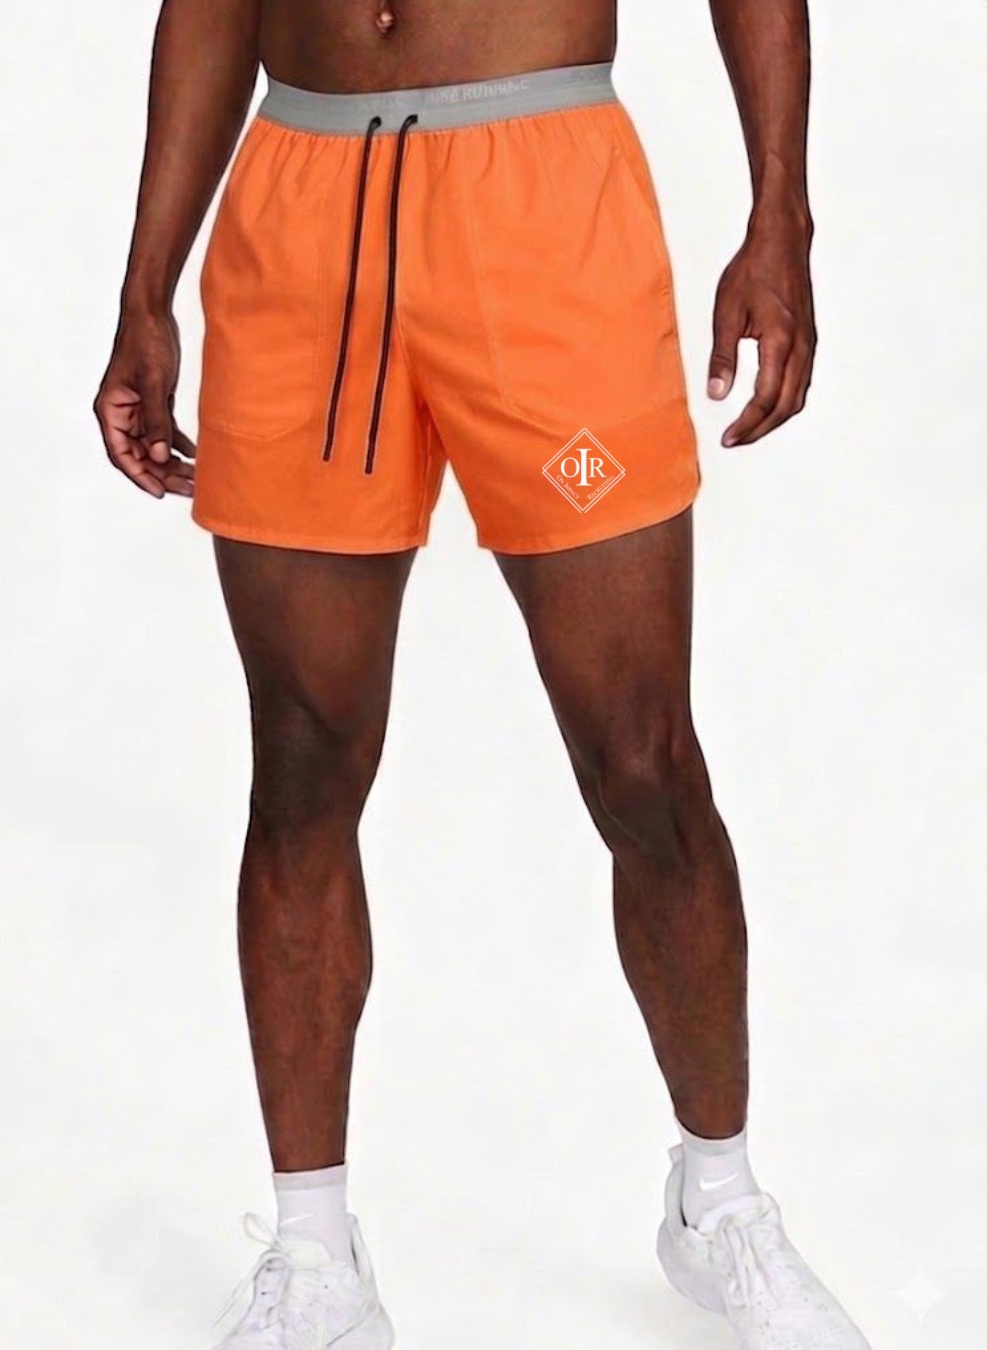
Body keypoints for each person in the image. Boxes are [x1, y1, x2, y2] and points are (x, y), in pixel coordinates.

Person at [94, 2, 872, 1347]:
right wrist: (144, 287)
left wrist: (780, 213)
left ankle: (721, 1202)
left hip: (541, 196)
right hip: (302, 213)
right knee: (300, 765)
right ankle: (315, 1254)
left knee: (641, 760)